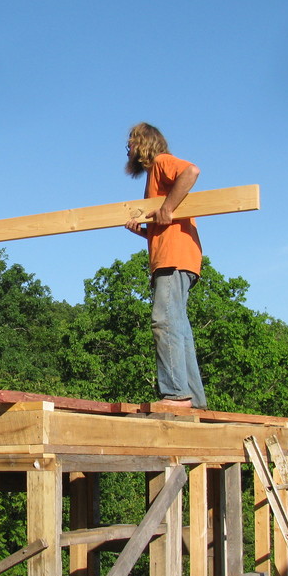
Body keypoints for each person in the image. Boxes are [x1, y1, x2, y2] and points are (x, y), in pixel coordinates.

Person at [124, 123, 207, 409]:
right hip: (178, 255)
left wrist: (168, 208)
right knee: (178, 328)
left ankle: (176, 395)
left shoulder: (161, 162)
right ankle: (194, 399)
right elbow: (165, 225)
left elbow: (191, 171)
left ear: (142, 143)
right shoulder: (153, 177)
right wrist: (144, 231)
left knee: (164, 321)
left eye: (130, 144)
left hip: (173, 257)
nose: (128, 150)